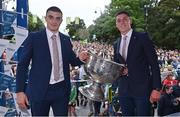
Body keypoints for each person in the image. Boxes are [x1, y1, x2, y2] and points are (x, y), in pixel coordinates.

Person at [15, 6, 88, 116]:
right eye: (51, 17)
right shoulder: (34, 38)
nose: (54, 21)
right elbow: (22, 65)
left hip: (61, 91)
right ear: (46, 18)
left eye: (58, 18)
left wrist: (81, 58)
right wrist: (20, 91)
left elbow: (73, 61)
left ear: (61, 21)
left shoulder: (65, 39)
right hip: (39, 91)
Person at [113, 11, 162, 116]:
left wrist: (157, 88)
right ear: (116, 25)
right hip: (124, 91)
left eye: (125, 19)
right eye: (119, 20)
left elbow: (154, 64)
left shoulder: (143, 37)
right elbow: (117, 66)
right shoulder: (116, 43)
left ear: (130, 21)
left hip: (143, 90)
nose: (122, 22)